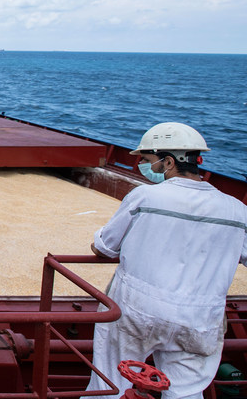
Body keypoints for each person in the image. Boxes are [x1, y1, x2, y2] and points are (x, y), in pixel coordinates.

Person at [85, 122, 247, 398]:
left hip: (138, 310)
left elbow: (105, 247)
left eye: (148, 161)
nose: (145, 168)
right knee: (186, 393)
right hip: (201, 318)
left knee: (111, 381)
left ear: (169, 161)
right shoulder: (237, 209)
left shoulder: (147, 196)